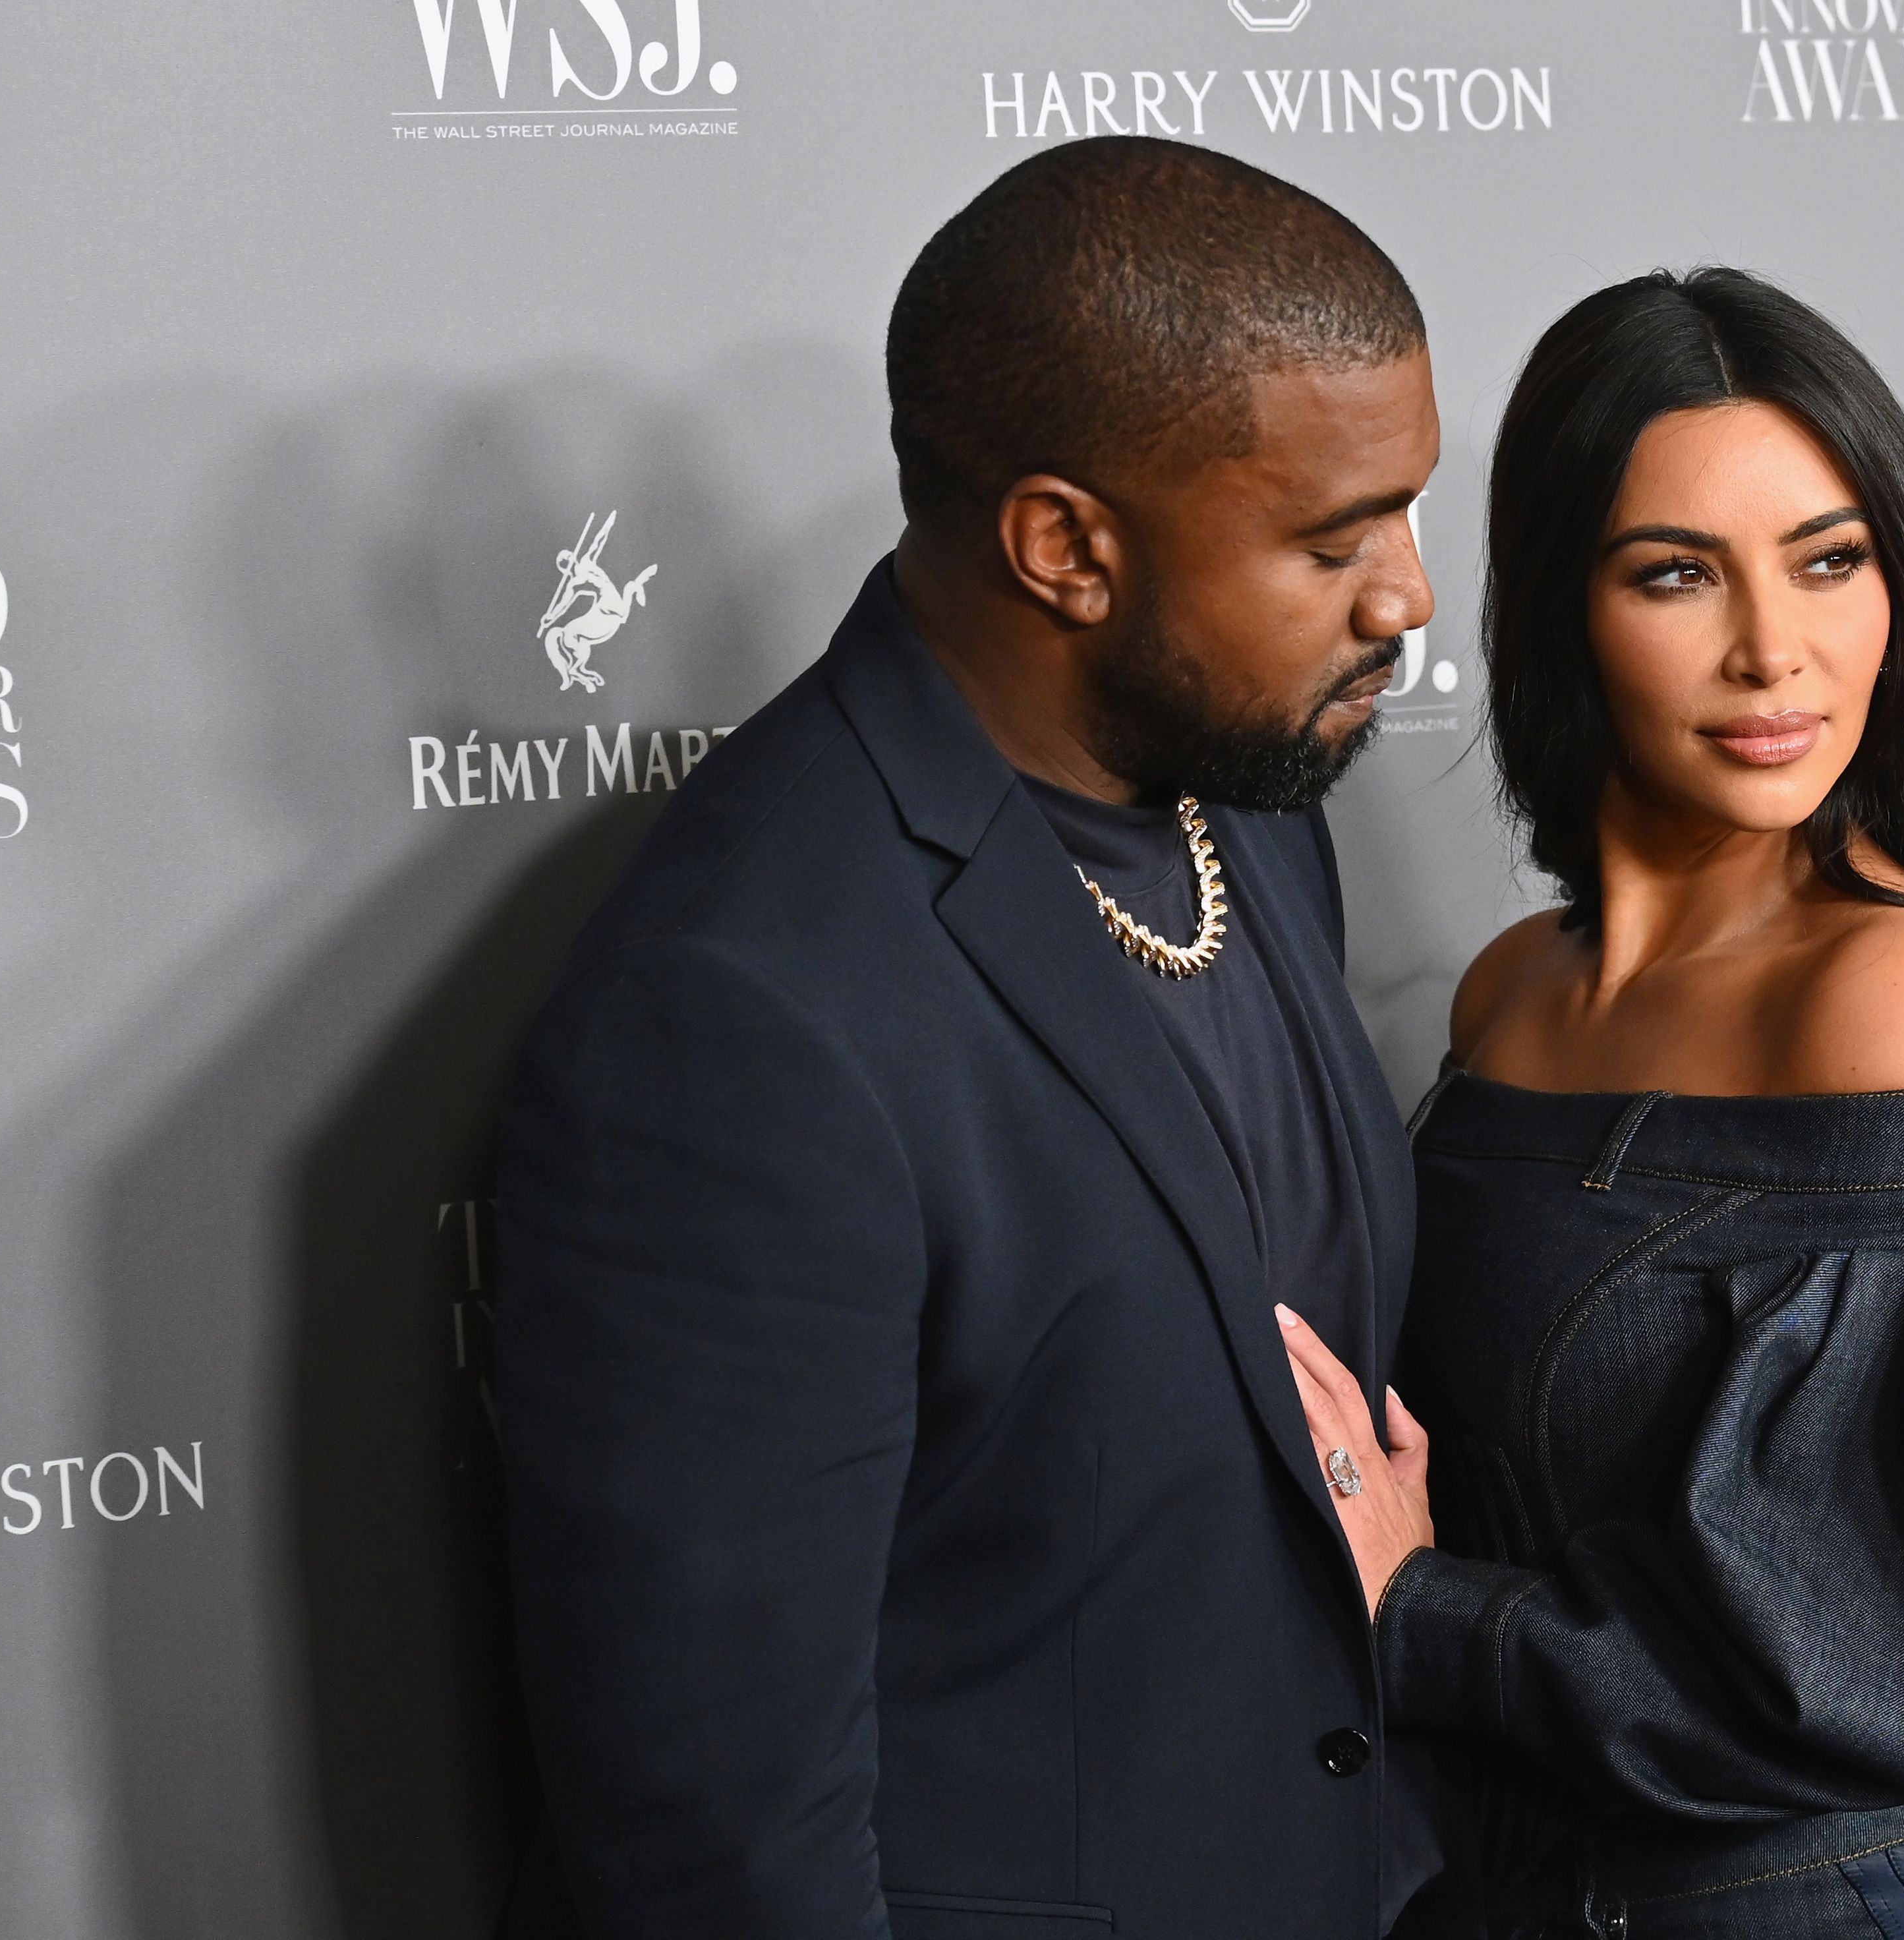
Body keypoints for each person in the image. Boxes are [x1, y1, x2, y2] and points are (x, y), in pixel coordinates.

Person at [491, 137, 1442, 1939]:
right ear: (1066, 548)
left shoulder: (1250, 804)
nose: (1404, 597)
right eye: (1333, 540)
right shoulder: (743, 1009)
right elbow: (719, 1836)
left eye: (1405, 513)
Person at [1279, 269, 1904, 1939]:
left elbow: (1870, 1671)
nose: (1775, 649)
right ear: (1565, 603)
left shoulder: (1893, 1002)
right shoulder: (1511, 988)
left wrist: (1427, 1614)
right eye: (1677, 574)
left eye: (1829, 559)